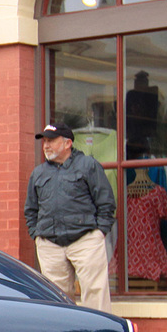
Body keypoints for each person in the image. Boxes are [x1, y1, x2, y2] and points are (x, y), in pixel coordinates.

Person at [24, 122, 116, 314]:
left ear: (67, 143)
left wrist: (99, 233)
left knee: (95, 294)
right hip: (50, 245)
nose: (46, 145)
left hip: (85, 240)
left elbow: (106, 202)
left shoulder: (88, 165)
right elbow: (31, 209)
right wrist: (37, 235)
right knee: (56, 299)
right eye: (44, 141)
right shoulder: (38, 173)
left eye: (51, 140)